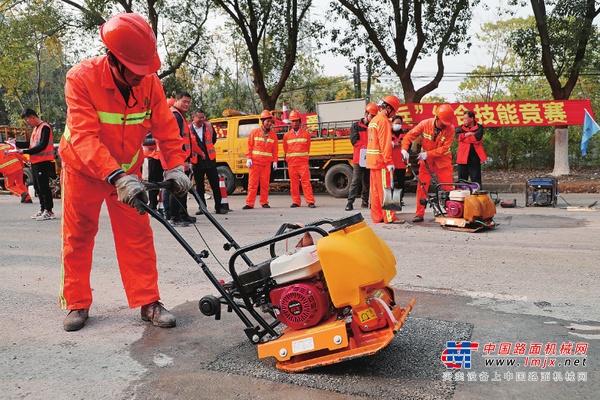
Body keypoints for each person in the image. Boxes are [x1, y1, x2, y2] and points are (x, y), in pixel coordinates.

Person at [59, 13, 191, 332]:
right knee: (77, 237)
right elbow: (84, 137)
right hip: (83, 170)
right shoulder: (81, 78)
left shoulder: (149, 82)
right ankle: (77, 303)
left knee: (138, 238)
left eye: (144, 71)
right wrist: (116, 176)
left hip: (128, 170)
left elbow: (165, 129)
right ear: (113, 60)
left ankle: (149, 302)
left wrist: (174, 166)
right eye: (135, 71)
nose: (140, 77)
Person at [401, 104, 456, 223]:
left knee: (448, 188)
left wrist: (427, 154)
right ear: (436, 117)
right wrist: (404, 149)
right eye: (443, 122)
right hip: (427, 162)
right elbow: (409, 136)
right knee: (422, 186)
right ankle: (419, 214)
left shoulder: (450, 128)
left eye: (447, 123)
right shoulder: (424, 124)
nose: (445, 125)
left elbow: (445, 148)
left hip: (443, 161)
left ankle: (453, 213)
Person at [366, 95, 404, 224]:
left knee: (375, 191)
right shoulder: (383, 121)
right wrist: (389, 162)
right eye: (393, 112)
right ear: (388, 108)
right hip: (381, 162)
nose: (393, 115)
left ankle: (377, 217)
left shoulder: (374, 120)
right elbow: (385, 144)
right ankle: (390, 217)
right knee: (387, 188)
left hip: (372, 161)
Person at [14, 109, 55, 220]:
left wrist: (25, 151)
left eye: (27, 120)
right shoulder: (36, 129)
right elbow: (30, 144)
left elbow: (42, 145)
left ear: (33, 117)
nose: (27, 122)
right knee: (37, 187)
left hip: (44, 162)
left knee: (44, 187)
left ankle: (49, 210)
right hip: (35, 162)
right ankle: (42, 209)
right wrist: (15, 143)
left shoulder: (45, 127)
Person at [189, 108, 227, 214]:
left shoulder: (209, 126)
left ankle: (219, 207)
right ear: (193, 117)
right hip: (196, 161)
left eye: (203, 117)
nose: (202, 119)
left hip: (210, 160)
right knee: (199, 186)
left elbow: (213, 140)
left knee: (215, 184)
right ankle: (202, 207)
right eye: (200, 117)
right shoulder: (188, 129)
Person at [345, 102, 378, 211]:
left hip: (371, 157)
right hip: (359, 158)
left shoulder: (374, 126)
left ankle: (365, 201)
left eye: (374, 116)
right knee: (355, 180)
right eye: (371, 116)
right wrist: (368, 147)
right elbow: (354, 141)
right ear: (366, 114)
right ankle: (350, 202)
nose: (373, 118)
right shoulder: (356, 125)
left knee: (367, 181)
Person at [168, 92, 195, 227]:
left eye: (189, 102)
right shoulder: (175, 116)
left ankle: (183, 214)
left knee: (183, 187)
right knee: (178, 187)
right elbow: (177, 139)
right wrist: (183, 159)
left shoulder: (180, 116)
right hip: (177, 158)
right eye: (184, 101)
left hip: (182, 157)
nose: (187, 104)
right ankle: (175, 217)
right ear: (176, 101)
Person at [243, 110, 278, 209]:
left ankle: (264, 202)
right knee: (252, 184)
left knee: (265, 184)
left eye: (271, 122)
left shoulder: (273, 135)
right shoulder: (254, 132)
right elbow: (249, 146)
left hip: (266, 164)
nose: (269, 123)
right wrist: (248, 158)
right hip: (255, 163)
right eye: (267, 121)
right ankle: (250, 203)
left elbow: (275, 150)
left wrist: (275, 161)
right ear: (262, 121)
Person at [283, 110, 315, 208]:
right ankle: (296, 202)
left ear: (299, 121)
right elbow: (285, 149)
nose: (295, 123)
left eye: (296, 121)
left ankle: (310, 201)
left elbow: (307, 148)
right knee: (294, 184)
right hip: (292, 163)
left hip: (302, 163)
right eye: (293, 121)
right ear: (290, 122)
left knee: (306, 183)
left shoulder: (306, 134)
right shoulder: (286, 136)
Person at [455, 110, 486, 188]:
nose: (464, 120)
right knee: (461, 180)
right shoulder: (460, 128)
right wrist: (467, 134)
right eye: (463, 119)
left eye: (466, 119)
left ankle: (477, 196)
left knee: (476, 178)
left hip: (474, 157)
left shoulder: (479, 127)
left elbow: (477, 139)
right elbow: (458, 137)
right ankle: (461, 196)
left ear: (472, 118)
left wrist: (464, 138)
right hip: (462, 157)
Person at [391, 115, 408, 205]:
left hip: (401, 162)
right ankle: (390, 199)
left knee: (401, 182)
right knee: (390, 182)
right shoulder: (387, 133)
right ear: (392, 123)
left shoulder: (404, 135)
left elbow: (408, 143)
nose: (398, 125)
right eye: (396, 123)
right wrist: (395, 144)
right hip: (390, 162)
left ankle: (399, 199)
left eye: (399, 124)